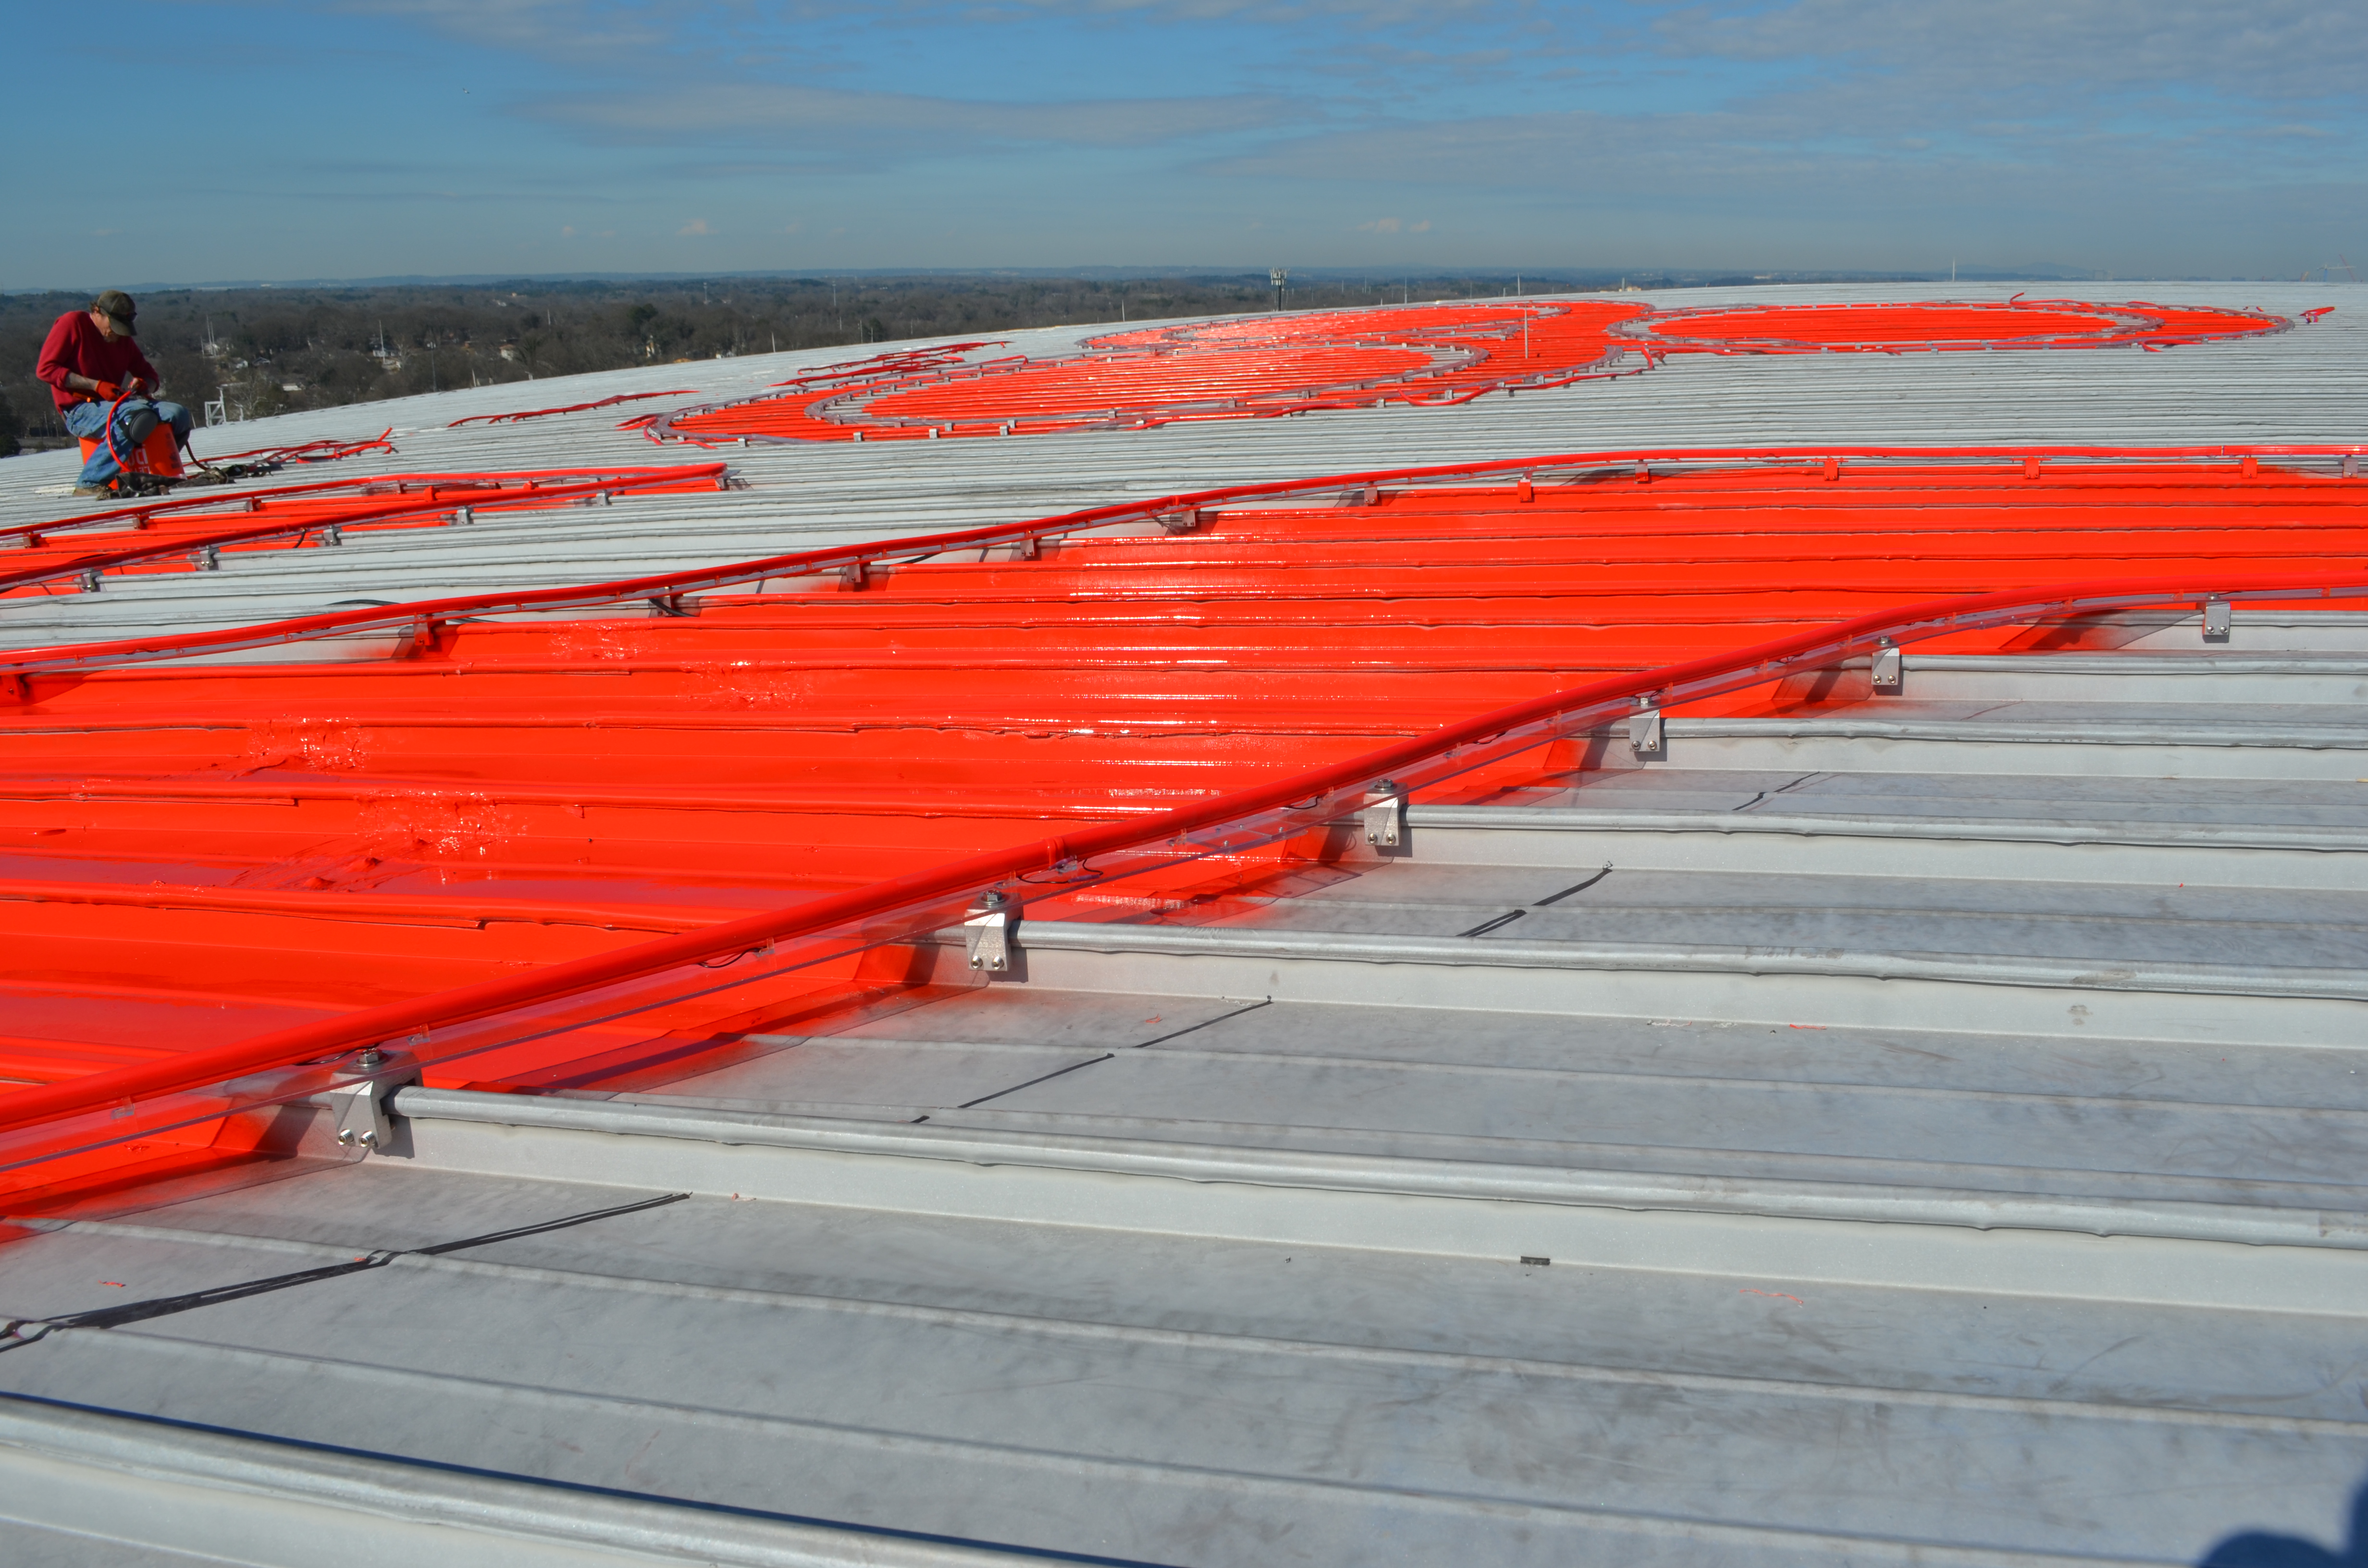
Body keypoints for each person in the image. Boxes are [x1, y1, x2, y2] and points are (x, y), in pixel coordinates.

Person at [36, 290, 194, 496]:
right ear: (96, 312)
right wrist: (95, 386)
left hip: (118, 405)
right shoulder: (73, 323)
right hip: (80, 410)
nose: (116, 333)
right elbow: (46, 370)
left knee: (178, 414)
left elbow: (150, 376)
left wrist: (144, 385)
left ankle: (158, 470)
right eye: (113, 326)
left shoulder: (121, 339)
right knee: (134, 417)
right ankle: (90, 482)